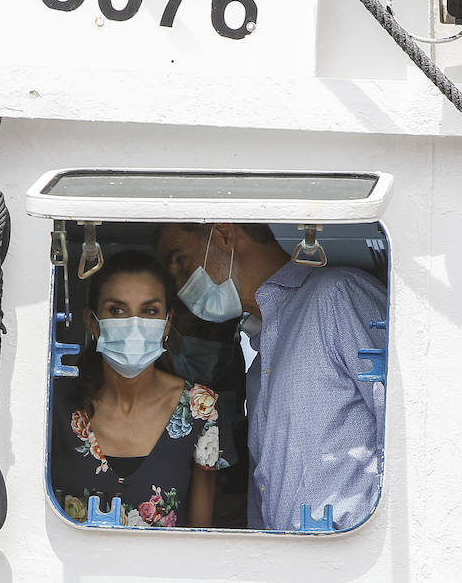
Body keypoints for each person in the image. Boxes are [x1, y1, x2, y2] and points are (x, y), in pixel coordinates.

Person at [155, 223, 387, 531]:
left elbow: (409, 430)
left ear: (223, 235)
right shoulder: (262, 355)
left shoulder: (336, 296)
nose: (181, 286)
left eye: (182, 262)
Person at [50, 250, 235, 528]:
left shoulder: (200, 410)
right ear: (92, 322)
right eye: (117, 310)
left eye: (149, 311)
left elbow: (200, 535)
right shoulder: (55, 405)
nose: (134, 325)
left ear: (167, 322)